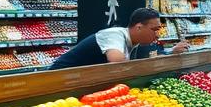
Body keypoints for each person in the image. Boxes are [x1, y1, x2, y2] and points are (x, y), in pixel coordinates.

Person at [51, 8, 189, 69]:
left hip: (78, 80)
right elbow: (117, 62)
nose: (158, 34)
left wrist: (172, 52)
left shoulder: (134, 44)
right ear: (139, 27)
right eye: (155, 30)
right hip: (56, 80)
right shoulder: (115, 35)